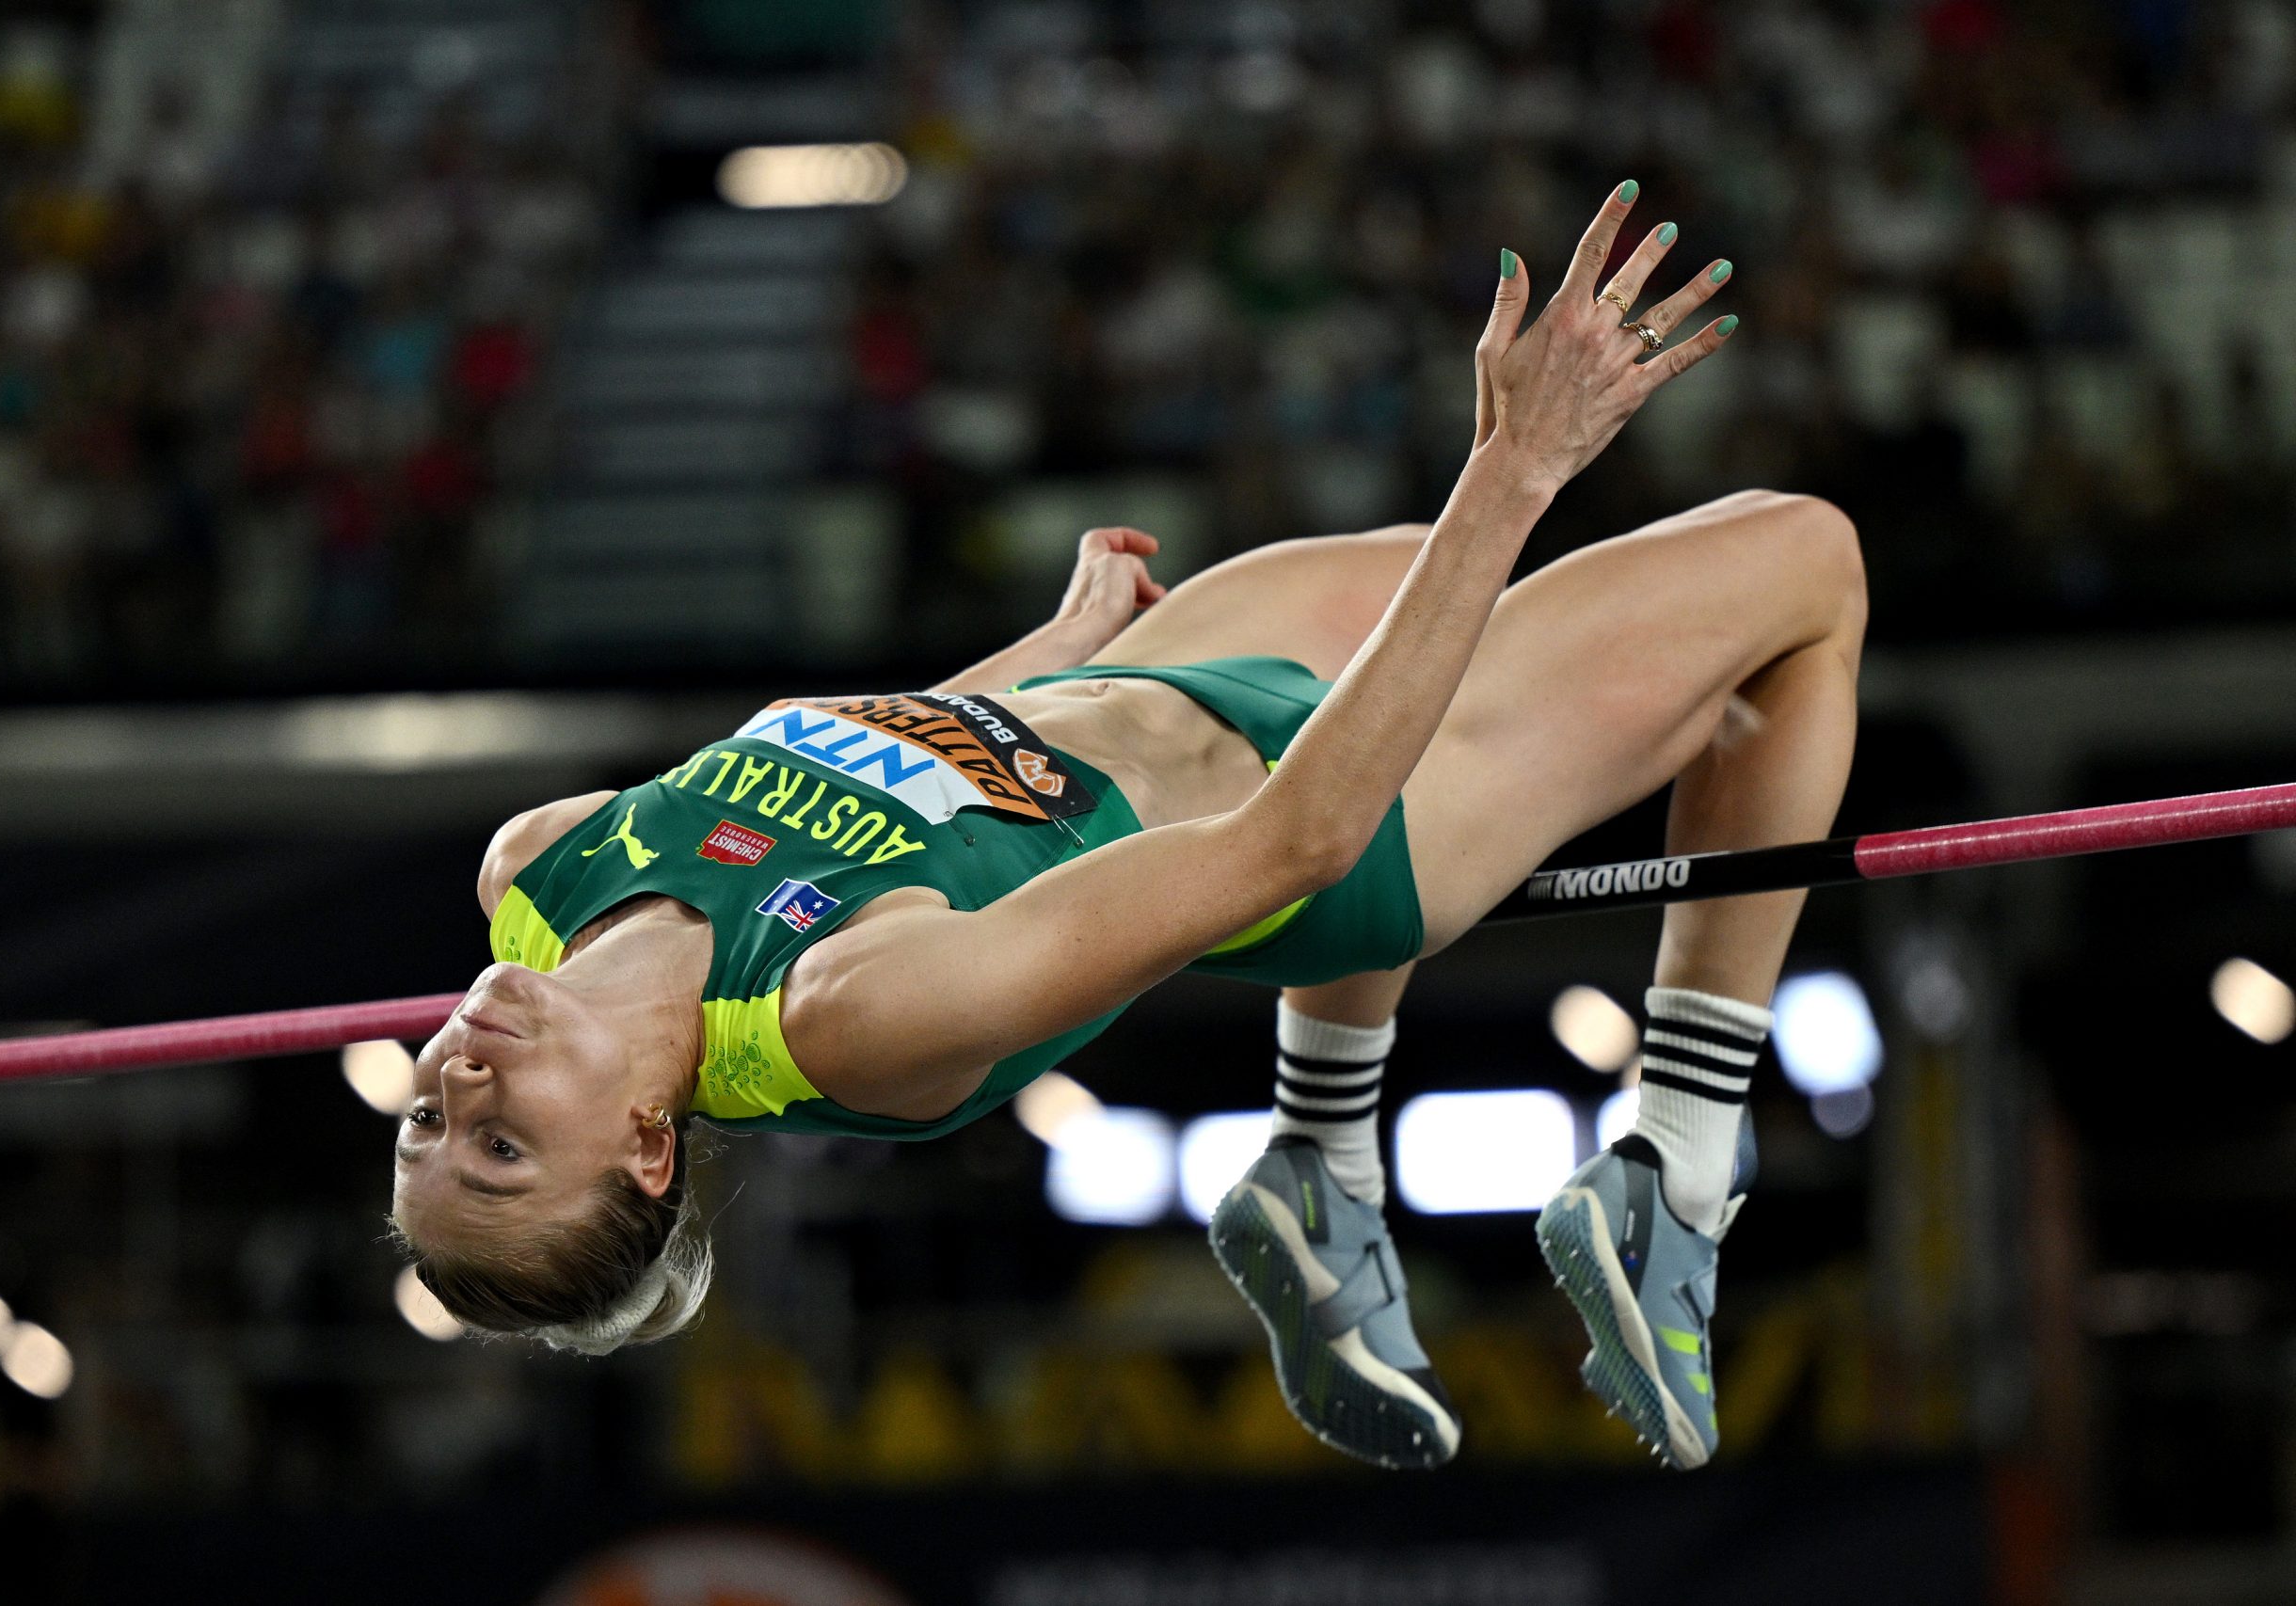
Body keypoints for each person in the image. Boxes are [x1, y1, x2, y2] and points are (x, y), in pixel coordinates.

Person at [390, 185, 1866, 1473]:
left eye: (428, 1126)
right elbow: (1293, 843)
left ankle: (1324, 1172)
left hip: (1132, 695)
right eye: (506, 1147)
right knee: (1802, 568)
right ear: (651, 1150)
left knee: (1572, 634)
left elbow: (846, 782)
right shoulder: (850, 1014)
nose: (459, 1083)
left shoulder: (537, 869)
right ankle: (1677, 1162)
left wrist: (1040, 659)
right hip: (1327, 808)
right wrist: (1517, 465)